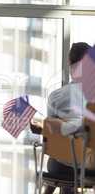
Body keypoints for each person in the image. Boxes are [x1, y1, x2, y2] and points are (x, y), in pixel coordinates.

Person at [44, 42, 94, 194]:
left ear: (70, 63)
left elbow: (51, 135)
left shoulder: (56, 96)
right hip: (90, 166)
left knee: (61, 159)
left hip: (61, 166)